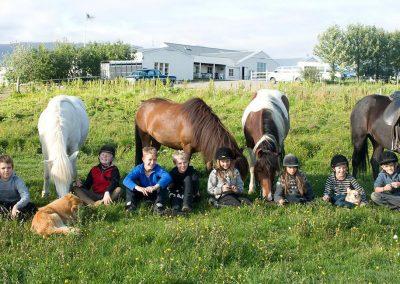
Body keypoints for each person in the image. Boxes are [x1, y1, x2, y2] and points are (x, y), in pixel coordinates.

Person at [123, 147, 172, 214]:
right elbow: (126, 180)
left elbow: (167, 177)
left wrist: (154, 187)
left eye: (154, 160)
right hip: (142, 192)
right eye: (150, 159)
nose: (152, 162)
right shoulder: (139, 168)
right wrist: (138, 188)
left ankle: (158, 207)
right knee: (131, 184)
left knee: (162, 184)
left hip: (155, 193)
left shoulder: (158, 169)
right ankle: (130, 206)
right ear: (143, 159)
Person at [0, 154, 36, 219]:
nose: (6, 170)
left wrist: (16, 206)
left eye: (9, 167)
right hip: (2, 204)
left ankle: (11, 215)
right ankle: (9, 215)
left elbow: (26, 196)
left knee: (31, 207)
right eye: (3, 168)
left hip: (16, 203)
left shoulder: (17, 180)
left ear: (12, 168)